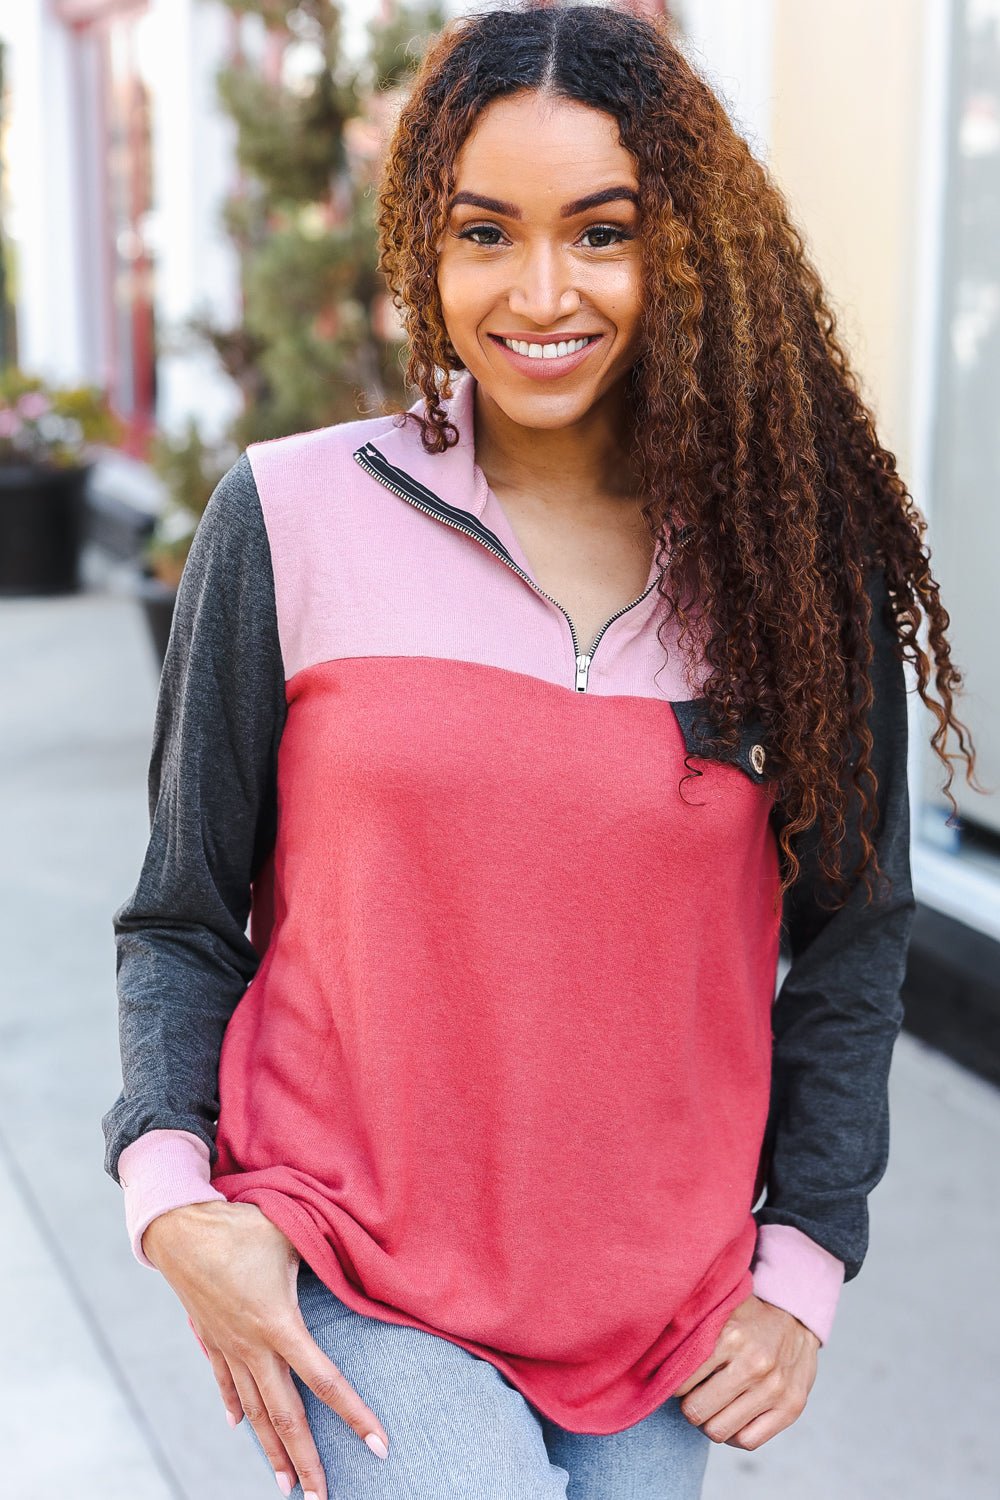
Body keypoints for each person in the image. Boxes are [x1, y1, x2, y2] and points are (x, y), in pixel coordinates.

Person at [102, 6, 975, 1499]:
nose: (540, 290)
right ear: (426, 253)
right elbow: (184, 911)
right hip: (353, 1259)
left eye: (602, 232)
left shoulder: (794, 566)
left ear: (686, 253)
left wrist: (807, 1255)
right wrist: (172, 1196)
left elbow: (855, 935)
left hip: (659, 1306)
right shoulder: (292, 516)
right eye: (486, 233)